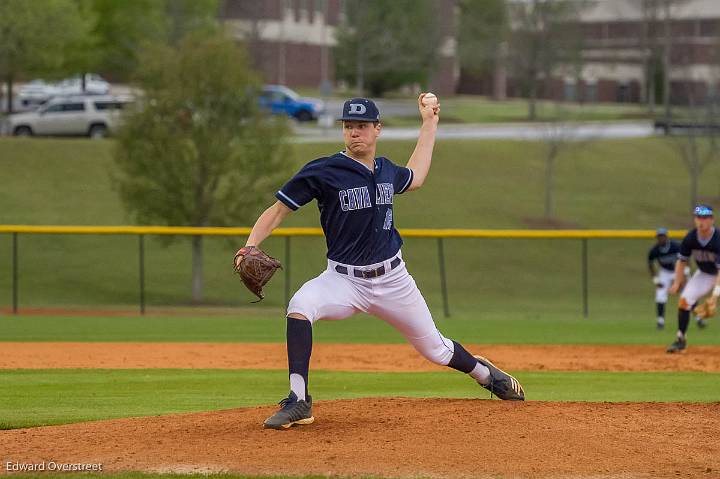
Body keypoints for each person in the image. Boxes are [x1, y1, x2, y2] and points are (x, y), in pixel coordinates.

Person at [235, 95, 525, 430]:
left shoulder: (386, 170)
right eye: (348, 126)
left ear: (377, 129)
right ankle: (298, 400)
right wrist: (248, 246)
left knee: (437, 350)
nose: (354, 132)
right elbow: (277, 212)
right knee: (300, 305)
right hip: (343, 281)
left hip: (393, 280)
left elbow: (415, 177)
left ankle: (485, 374)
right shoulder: (324, 171)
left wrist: (429, 123)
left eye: (361, 126)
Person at [667, 204, 720, 353]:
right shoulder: (690, 238)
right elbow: (681, 261)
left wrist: (715, 296)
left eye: (705, 218)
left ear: (712, 220)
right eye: (698, 218)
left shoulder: (718, 240)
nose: (701, 221)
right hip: (704, 274)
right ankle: (680, 340)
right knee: (684, 301)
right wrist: (677, 282)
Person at [648, 228, 680, 330]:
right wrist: (656, 280)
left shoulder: (676, 246)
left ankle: (698, 318)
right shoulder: (655, 250)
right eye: (659, 237)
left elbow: (685, 259)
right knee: (660, 294)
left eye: (663, 236)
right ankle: (660, 321)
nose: (661, 238)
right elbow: (650, 264)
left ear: (667, 237)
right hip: (665, 272)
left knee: (688, 292)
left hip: (677, 270)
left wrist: (685, 273)